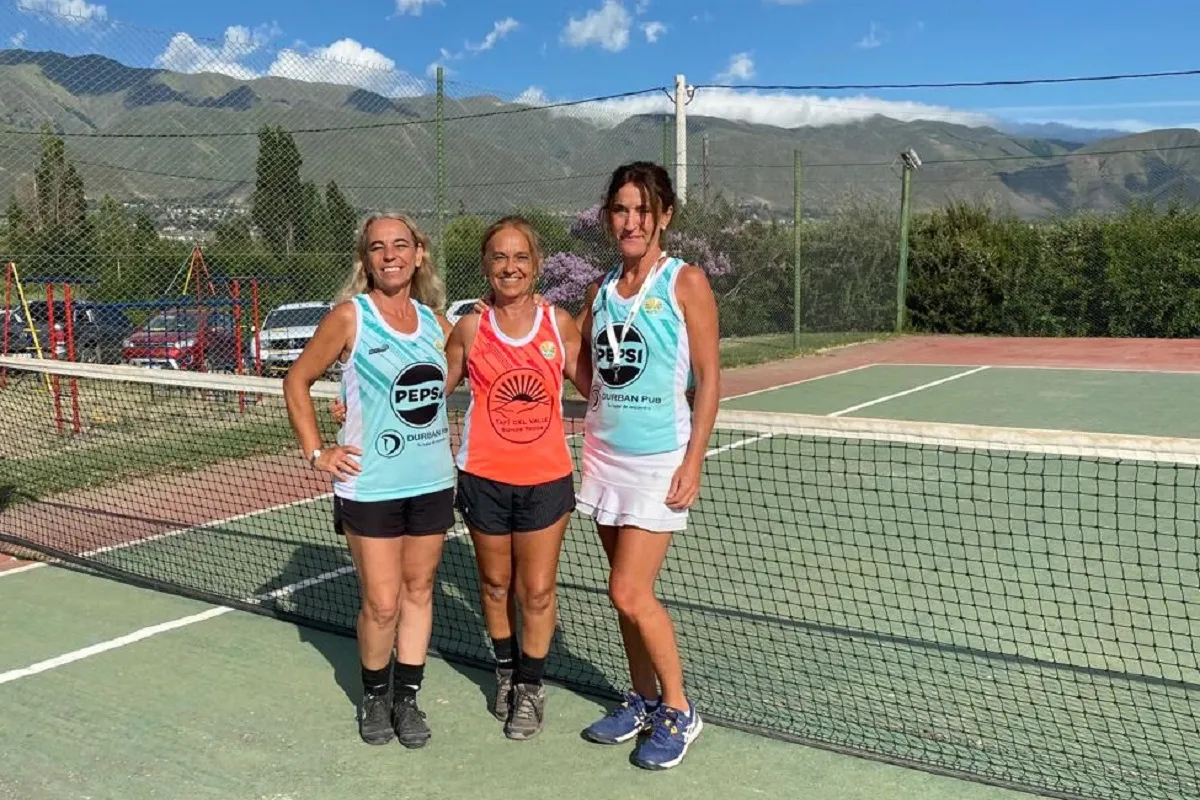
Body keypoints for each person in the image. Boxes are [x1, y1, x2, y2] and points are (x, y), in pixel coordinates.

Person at [283, 212, 455, 751]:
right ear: (366, 258)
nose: (390, 255)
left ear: (419, 253)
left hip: (431, 482)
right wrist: (318, 452)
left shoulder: (437, 324)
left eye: (400, 245)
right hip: (370, 486)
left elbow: (449, 384)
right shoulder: (349, 317)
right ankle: (374, 697)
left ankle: (407, 697)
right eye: (378, 247)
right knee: (382, 601)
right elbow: (297, 379)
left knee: (419, 591)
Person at [575, 161, 721, 770]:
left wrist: (695, 459)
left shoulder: (684, 281)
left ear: (663, 216)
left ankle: (680, 710)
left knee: (629, 590)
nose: (630, 221)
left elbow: (710, 378)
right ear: (608, 216)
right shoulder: (601, 289)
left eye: (642, 210)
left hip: (659, 462)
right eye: (620, 209)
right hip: (605, 458)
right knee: (623, 597)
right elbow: (580, 365)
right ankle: (639, 698)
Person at [444, 216, 588, 739]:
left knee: (537, 590)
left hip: (546, 479)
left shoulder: (559, 324)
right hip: (483, 476)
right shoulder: (469, 328)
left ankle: (531, 686)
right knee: (494, 583)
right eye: (500, 258)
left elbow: (600, 388)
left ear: (537, 264)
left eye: (520, 257)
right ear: (486, 265)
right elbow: (424, 387)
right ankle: (505, 673)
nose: (510, 267)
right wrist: (359, 402)